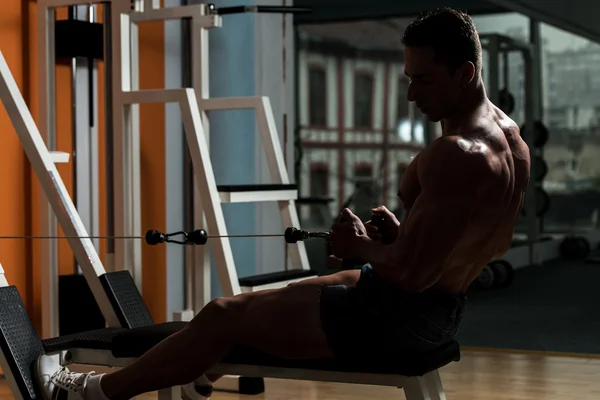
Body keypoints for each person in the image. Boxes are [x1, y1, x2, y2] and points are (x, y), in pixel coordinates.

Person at [33, 7, 530, 400]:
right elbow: (487, 241)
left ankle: (93, 393)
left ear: (466, 72)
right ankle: (196, 366)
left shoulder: (455, 154)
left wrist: (357, 246)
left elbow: (414, 274)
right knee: (272, 300)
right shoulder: (511, 141)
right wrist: (404, 240)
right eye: (409, 79)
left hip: (394, 318)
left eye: (424, 81)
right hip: (440, 310)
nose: (410, 95)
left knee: (223, 313)